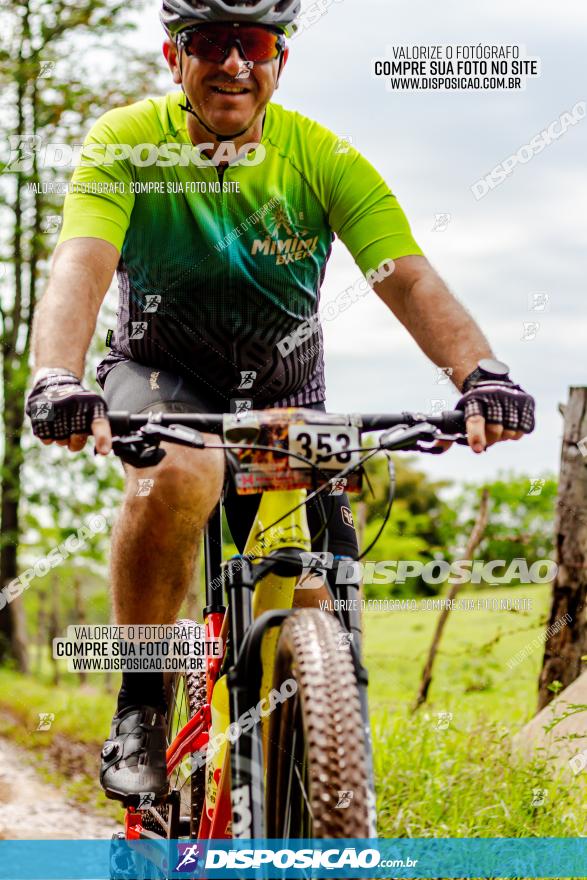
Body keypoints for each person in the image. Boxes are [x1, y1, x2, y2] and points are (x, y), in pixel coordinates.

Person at [26, 0, 535, 805]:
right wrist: (56, 376)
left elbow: (404, 275)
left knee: (320, 577)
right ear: (173, 57)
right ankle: (142, 707)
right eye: (210, 44)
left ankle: (323, 771)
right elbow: (80, 266)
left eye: (254, 42)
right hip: (159, 380)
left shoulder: (321, 156)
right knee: (183, 471)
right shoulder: (125, 143)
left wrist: (481, 375)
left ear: (280, 61)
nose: (233, 63)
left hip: (285, 391)